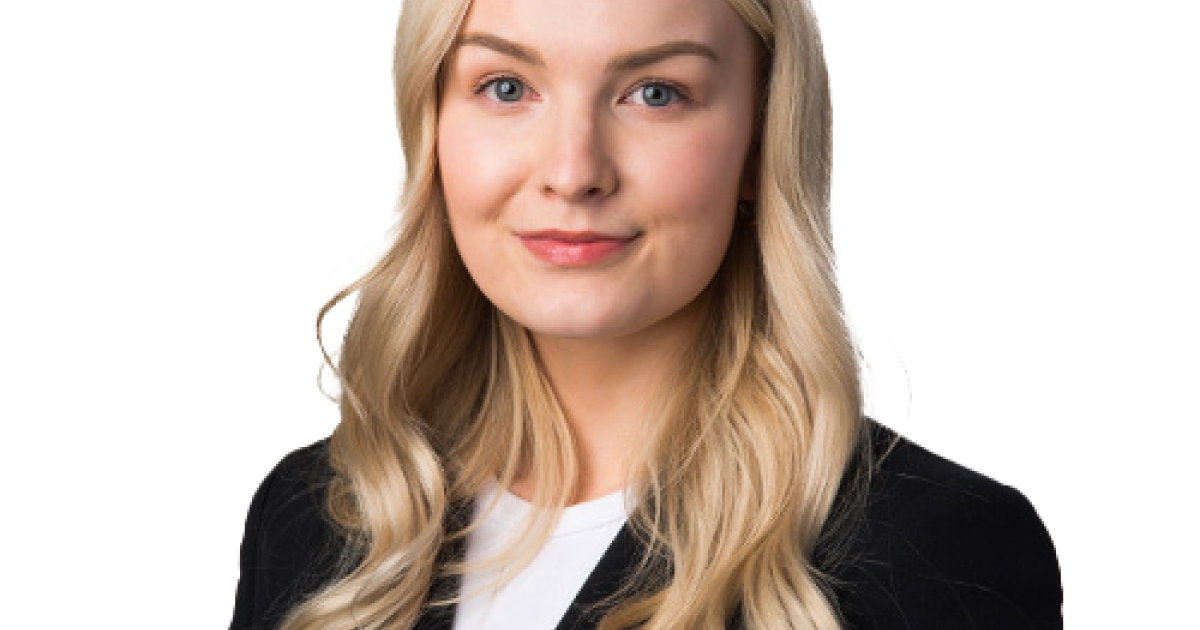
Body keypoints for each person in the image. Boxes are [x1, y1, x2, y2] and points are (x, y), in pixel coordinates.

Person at [230, 0, 1062, 628]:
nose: (573, 171)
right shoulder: (314, 516)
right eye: (506, 87)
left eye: (655, 93)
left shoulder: (939, 551)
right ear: (432, 127)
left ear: (760, 138)